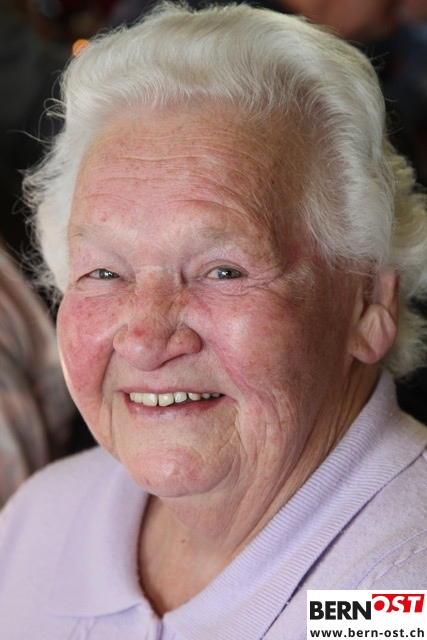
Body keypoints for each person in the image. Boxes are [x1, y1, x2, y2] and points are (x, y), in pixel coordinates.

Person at [0, 3, 427, 638]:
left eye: (222, 271)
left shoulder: (396, 595)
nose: (146, 339)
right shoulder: (40, 519)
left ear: (370, 302)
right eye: (105, 272)